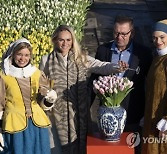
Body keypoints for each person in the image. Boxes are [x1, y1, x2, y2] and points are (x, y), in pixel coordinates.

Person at [39, 25, 128, 154]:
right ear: (55, 40)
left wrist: (117, 67)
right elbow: (42, 85)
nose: (65, 44)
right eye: (61, 40)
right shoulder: (46, 60)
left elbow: (101, 66)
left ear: (73, 41)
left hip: (78, 111)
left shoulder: (80, 58)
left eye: (68, 40)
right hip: (57, 114)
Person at [89, 15, 152, 133]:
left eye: (124, 34)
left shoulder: (143, 54)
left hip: (134, 114)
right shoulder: (103, 51)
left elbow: (151, 84)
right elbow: (94, 80)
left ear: (132, 33)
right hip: (108, 115)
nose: (119, 37)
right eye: (116, 33)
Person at [0, 38, 58, 154]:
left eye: (26, 55)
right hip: (14, 124)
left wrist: (49, 99)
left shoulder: (36, 73)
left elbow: (42, 98)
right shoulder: (4, 76)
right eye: (19, 54)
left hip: (37, 124)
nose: (23, 58)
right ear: (13, 54)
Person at [142, 20, 167, 154]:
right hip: (153, 119)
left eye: (162, 37)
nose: (158, 41)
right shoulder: (158, 57)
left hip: (166, 125)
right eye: (154, 37)